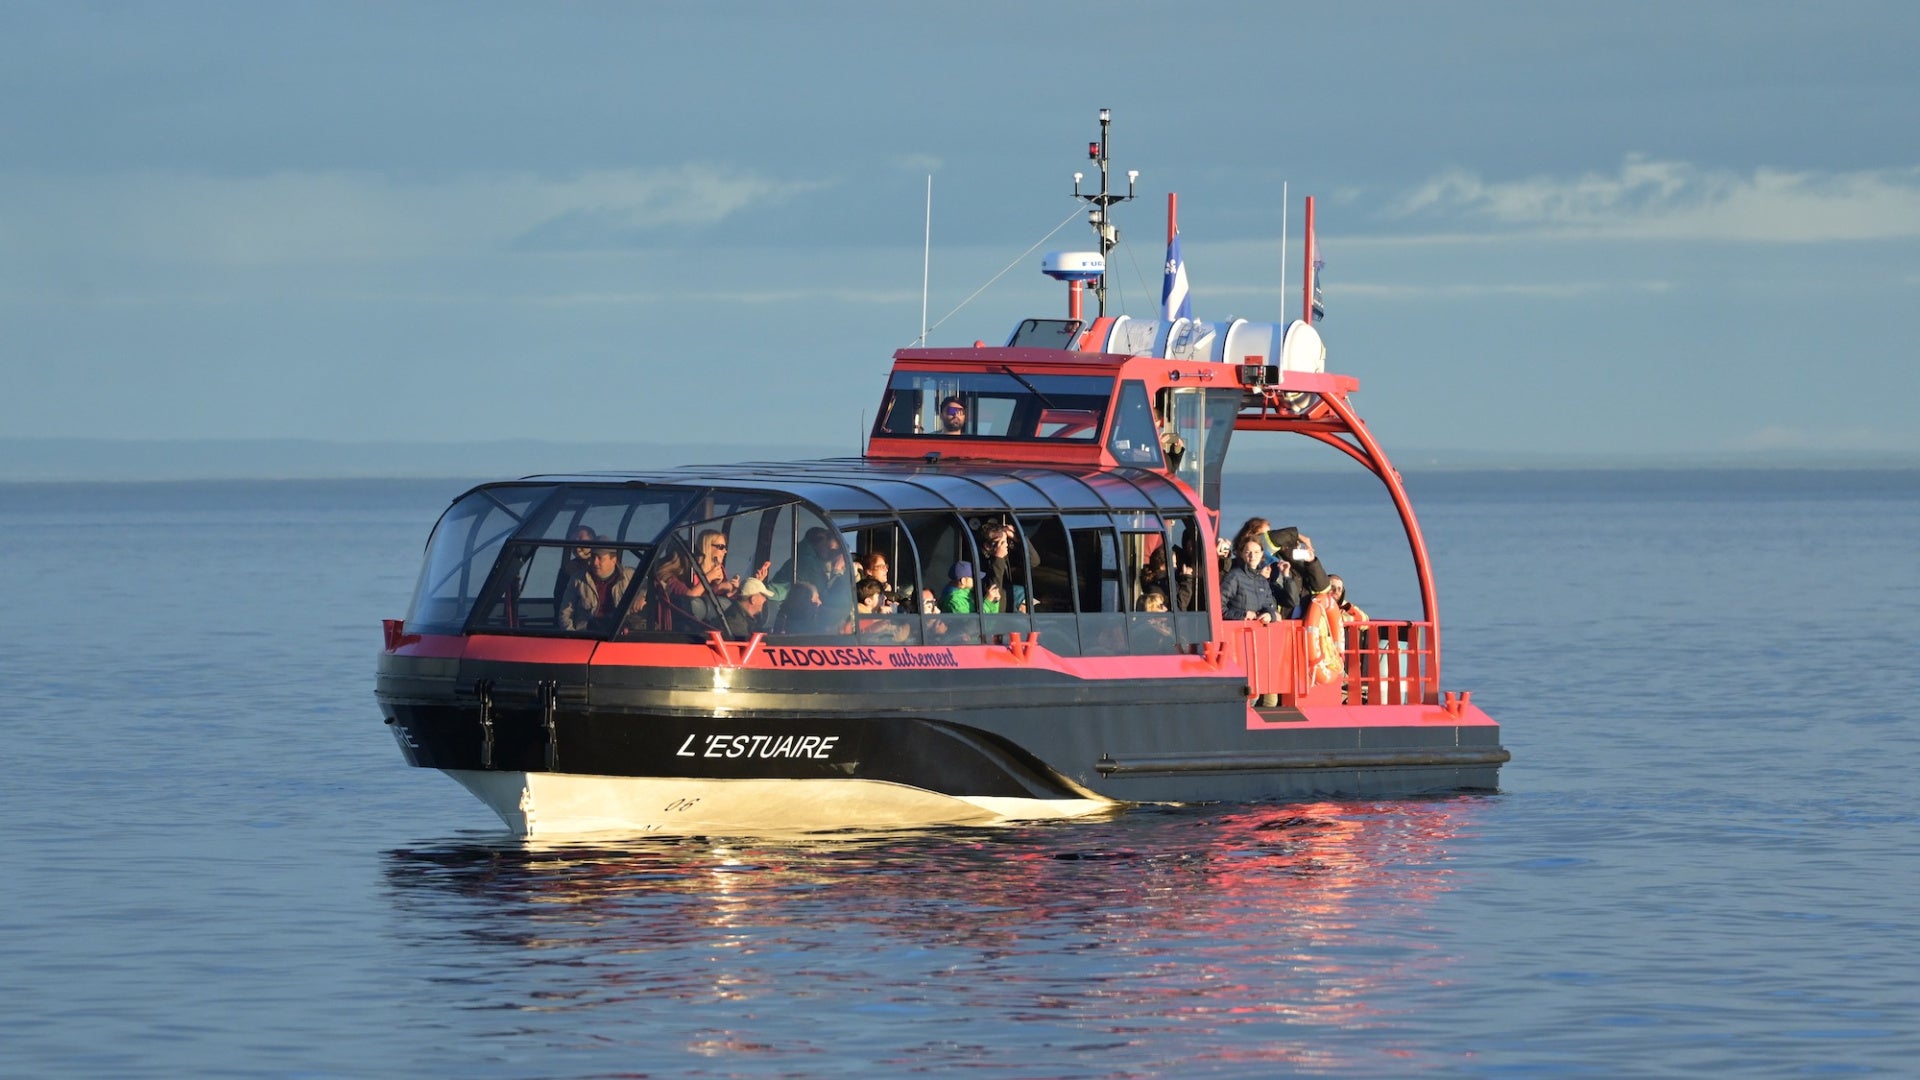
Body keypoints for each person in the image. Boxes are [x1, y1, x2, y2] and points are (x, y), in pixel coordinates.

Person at [558, 538, 635, 633]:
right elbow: (565, 613)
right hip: (587, 636)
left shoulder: (631, 576)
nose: (595, 562)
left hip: (619, 637)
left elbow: (650, 584)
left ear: (613, 560)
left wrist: (643, 594)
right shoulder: (577, 580)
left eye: (600, 558)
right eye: (593, 557)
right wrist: (573, 636)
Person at [1221, 539, 1279, 623]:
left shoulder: (1262, 581)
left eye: (1256, 552)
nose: (1252, 556)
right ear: (1241, 554)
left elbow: (1270, 606)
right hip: (1236, 631)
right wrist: (1242, 615)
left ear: (1262, 553)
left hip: (1257, 632)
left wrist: (1269, 615)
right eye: (1248, 552)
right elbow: (1217, 609)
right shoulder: (1234, 576)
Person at [1303, 581, 1346, 688]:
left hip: (1331, 660)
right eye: (1332, 587)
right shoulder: (1313, 604)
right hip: (1316, 659)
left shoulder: (1344, 606)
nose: (1336, 591)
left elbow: (1363, 619)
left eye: (1339, 589)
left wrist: (1347, 613)